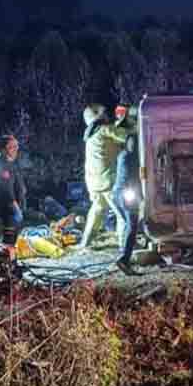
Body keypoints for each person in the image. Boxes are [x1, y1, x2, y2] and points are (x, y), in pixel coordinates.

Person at [77, 103, 129, 257]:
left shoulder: (90, 134)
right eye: (104, 114)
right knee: (122, 213)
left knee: (97, 211)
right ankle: (124, 245)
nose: (107, 116)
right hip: (108, 180)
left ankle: (85, 242)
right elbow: (125, 135)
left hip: (94, 181)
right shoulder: (104, 129)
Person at [111, 104, 141, 274]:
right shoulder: (132, 148)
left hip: (119, 192)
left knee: (130, 225)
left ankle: (124, 256)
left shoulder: (124, 152)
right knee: (132, 226)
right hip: (126, 192)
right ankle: (124, 260)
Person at [0, 135, 27, 245]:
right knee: (10, 236)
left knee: (14, 236)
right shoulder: (2, 165)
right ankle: (6, 260)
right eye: (12, 147)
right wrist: (14, 205)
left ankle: (10, 259)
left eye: (16, 146)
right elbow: (6, 188)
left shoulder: (12, 164)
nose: (16, 149)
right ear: (3, 150)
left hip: (16, 205)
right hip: (9, 207)